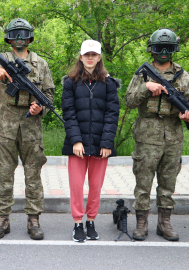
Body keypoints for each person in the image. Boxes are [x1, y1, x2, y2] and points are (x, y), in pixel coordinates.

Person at [0, 18, 55, 240]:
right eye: (15, 35)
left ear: (30, 38)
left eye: (23, 35)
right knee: (4, 173)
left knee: (33, 173)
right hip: (6, 123)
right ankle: (2, 218)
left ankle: (34, 218)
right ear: (8, 38)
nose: (19, 39)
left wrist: (39, 107)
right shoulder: (2, 59)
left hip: (31, 126)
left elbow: (50, 94)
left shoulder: (40, 63)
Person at [125, 28, 189, 241]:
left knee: (168, 183)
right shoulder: (142, 73)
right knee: (143, 182)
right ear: (152, 50)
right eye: (159, 48)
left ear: (173, 50)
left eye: (167, 48)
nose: (163, 52)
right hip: (147, 136)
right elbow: (129, 101)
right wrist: (146, 87)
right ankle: (141, 223)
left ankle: (165, 222)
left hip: (173, 135)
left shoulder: (183, 76)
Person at [62, 40, 120, 242]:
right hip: (76, 144)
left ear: (99, 57)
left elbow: (112, 115)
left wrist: (106, 143)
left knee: (95, 186)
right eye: (86, 54)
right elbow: (68, 113)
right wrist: (76, 141)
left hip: (100, 145)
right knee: (76, 186)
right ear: (80, 57)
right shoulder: (70, 83)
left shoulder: (109, 84)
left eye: (93, 55)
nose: (89, 58)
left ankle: (91, 221)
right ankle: (78, 222)